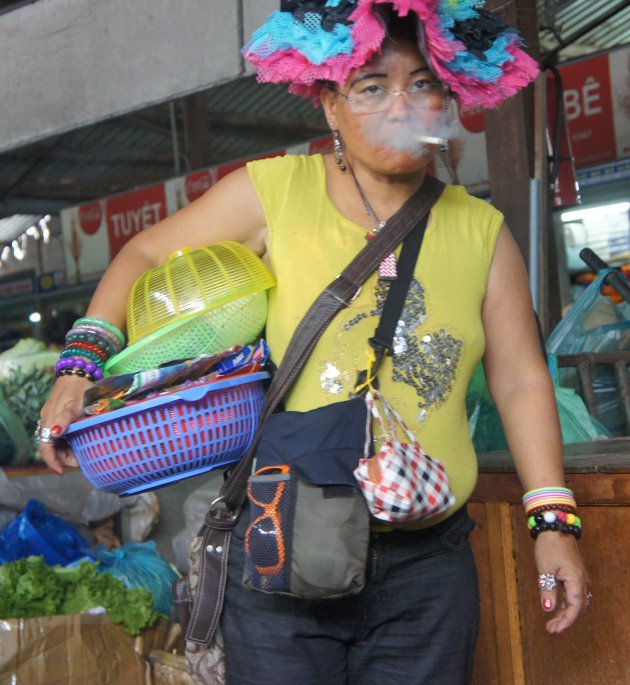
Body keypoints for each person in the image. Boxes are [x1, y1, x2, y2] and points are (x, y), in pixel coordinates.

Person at [38, 1, 589, 683]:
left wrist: (552, 523)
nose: (401, 106)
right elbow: (142, 256)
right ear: (330, 105)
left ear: (449, 97)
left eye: (422, 84)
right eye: (372, 87)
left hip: (426, 570)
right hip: (281, 546)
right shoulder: (274, 193)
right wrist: (78, 364)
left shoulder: (480, 231)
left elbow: (520, 380)